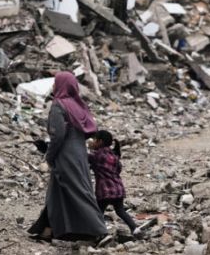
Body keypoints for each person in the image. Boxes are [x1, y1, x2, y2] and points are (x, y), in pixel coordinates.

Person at [28, 72, 108, 241]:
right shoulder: (78, 104)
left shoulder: (58, 105)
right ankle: (47, 230)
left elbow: (57, 135)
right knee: (57, 193)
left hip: (66, 156)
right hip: (79, 154)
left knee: (78, 191)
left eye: (55, 83)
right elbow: (87, 130)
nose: (53, 86)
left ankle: (100, 230)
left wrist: (49, 156)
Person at [89, 130, 142, 238]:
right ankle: (135, 229)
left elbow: (84, 158)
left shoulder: (97, 155)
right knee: (120, 211)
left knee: (98, 212)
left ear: (100, 142)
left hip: (104, 190)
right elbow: (118, 169)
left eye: (94, 140)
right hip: (118, 189)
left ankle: (101, 233)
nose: (92, 142)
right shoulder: (114, 155)